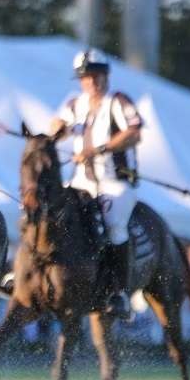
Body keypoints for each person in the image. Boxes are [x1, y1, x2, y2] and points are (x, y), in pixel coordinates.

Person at [49, 48, 143, 319]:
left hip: (116, 183)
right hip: (80, 182)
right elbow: (58, 123)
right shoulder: (73, 103)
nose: (92, 81)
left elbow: (134, 133)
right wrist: (56, 130)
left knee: (114, 226)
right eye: (87, 77)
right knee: (50, 212)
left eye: (98, 75)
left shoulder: (119, 101)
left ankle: (120, 292)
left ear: (106, 75)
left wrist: (98, 149)